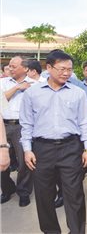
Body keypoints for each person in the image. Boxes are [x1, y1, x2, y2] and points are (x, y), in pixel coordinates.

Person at [20, 49, 87, 233]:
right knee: (44, 196)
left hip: (71, 148)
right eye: (62, 69)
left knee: (74, 194)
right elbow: (27, 124)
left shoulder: (78, 93)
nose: (66, 73)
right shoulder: (32, 93)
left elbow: (85, 122)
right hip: (41, 150)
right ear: (49, 68)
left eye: (69, 69)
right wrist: (27, 150)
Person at [0, 56, 34, 206]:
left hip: (23, 127)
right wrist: (16, 88)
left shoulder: (36, 85)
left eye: (14, 66)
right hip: (3, 125)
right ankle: (7, 189)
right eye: (10, 66)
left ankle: (24, 192)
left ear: (25, 68)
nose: (10, 69)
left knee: (23, 162)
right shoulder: (3, 83)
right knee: (2, 161)